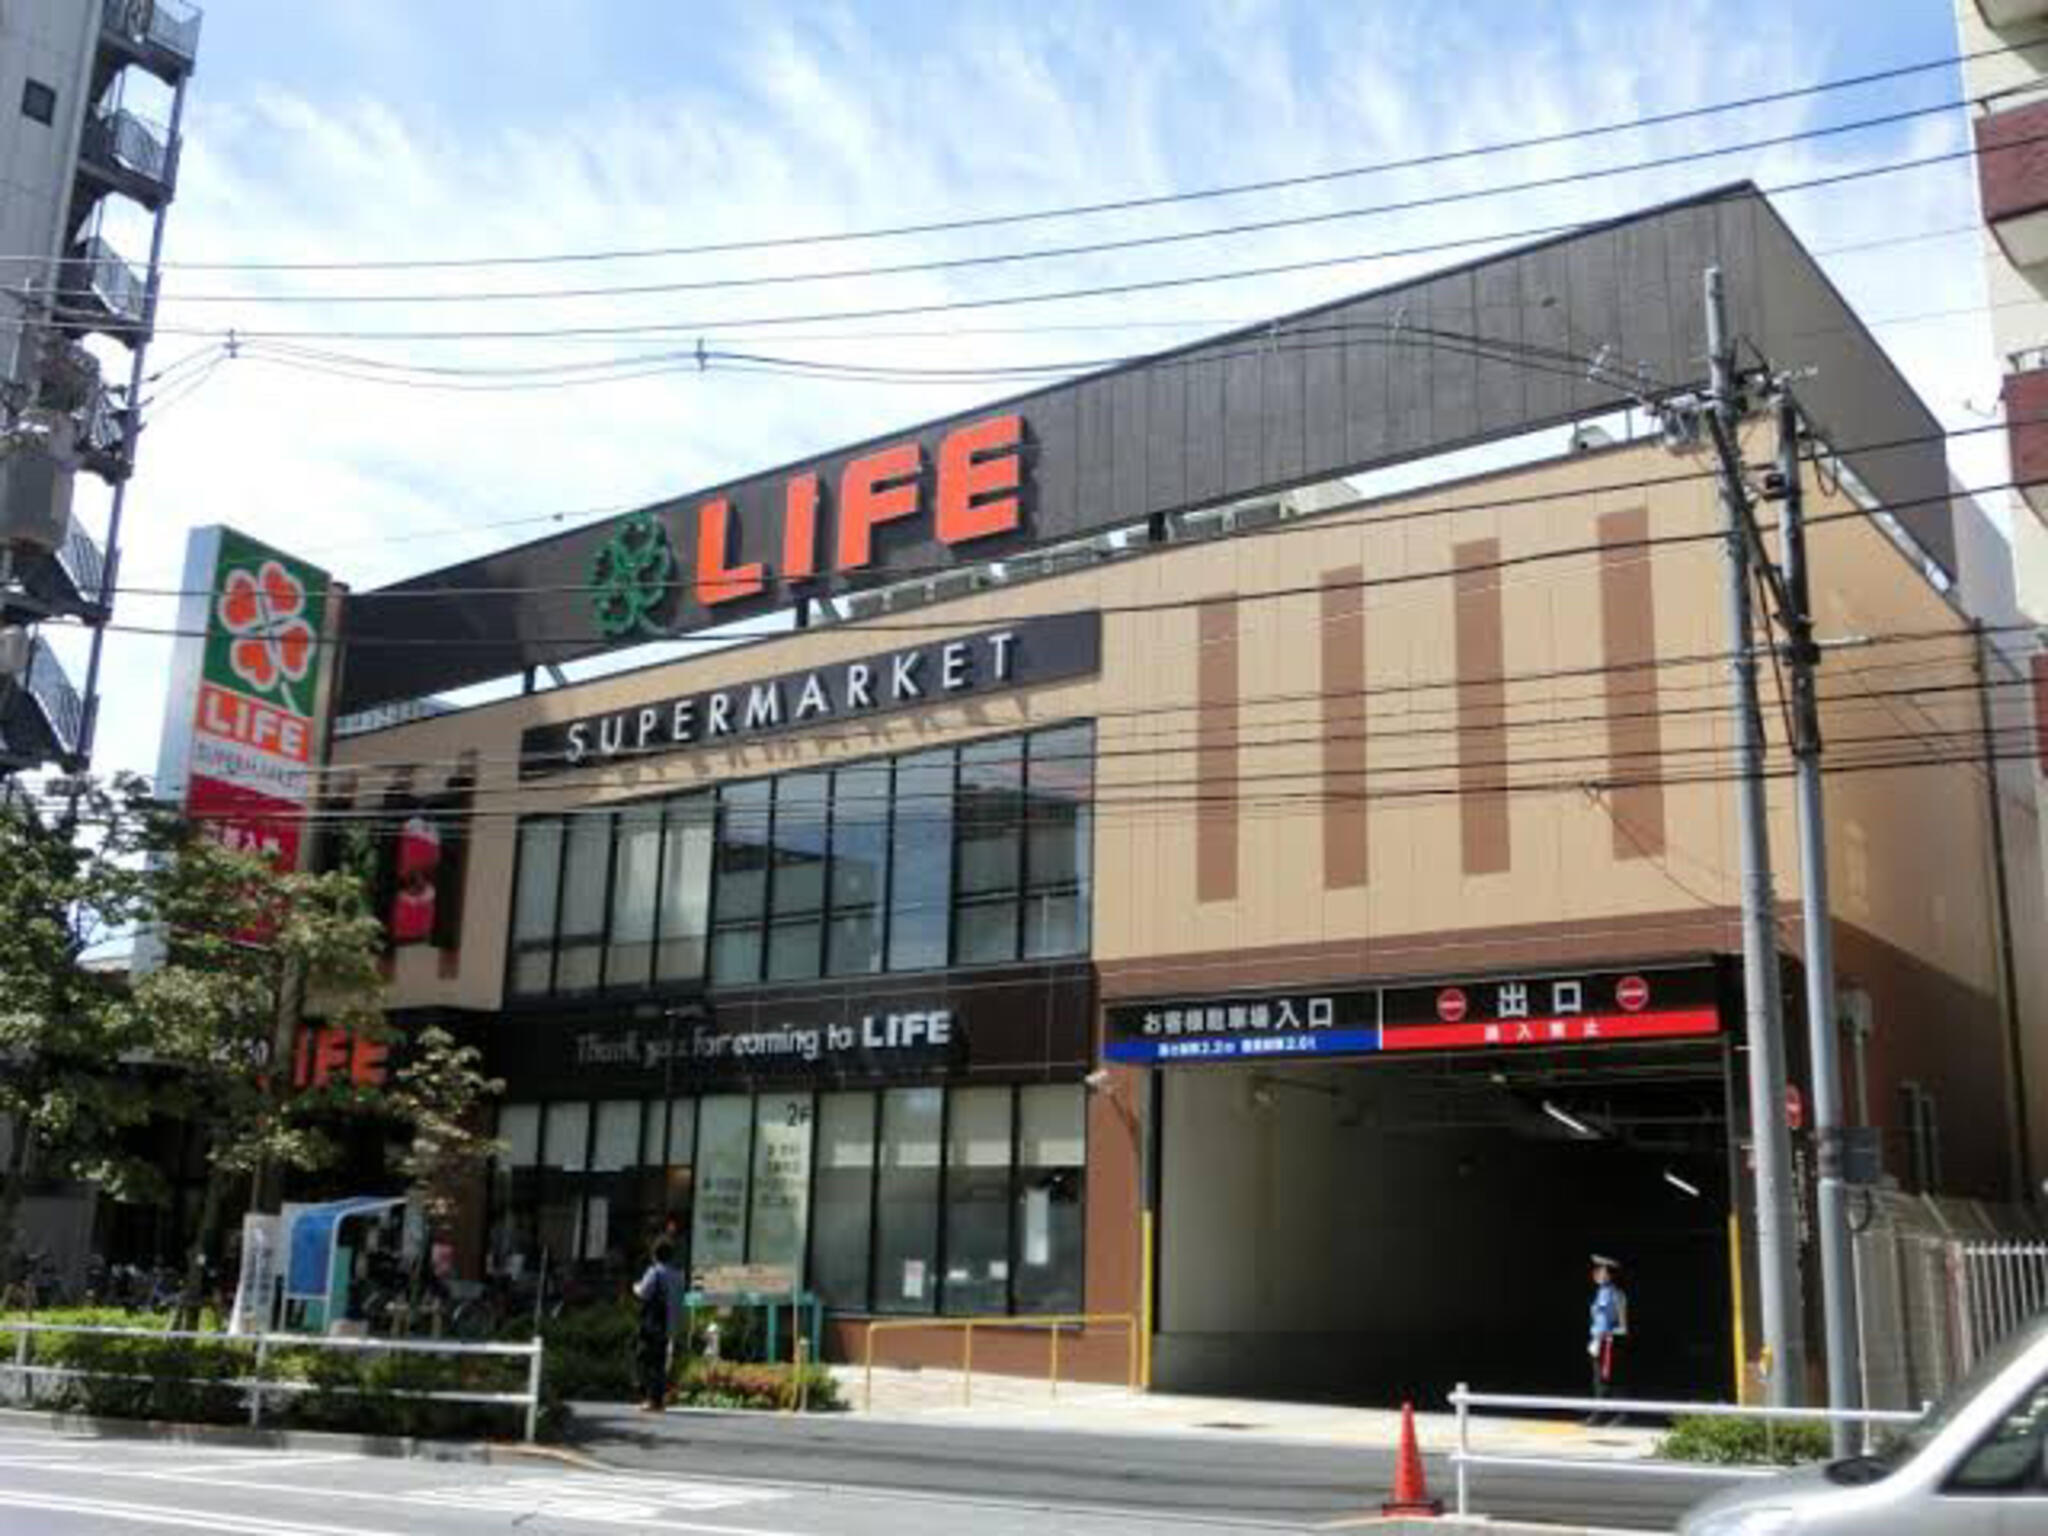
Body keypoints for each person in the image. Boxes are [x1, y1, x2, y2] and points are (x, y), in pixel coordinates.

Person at [633, 1239, 683, 1411]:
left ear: (655, 1255)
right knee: (661, 1362)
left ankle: (651, 1399)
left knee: (646, 1359)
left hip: (653, 1322)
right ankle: (659, 1400)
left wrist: (636, 1287)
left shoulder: (654, 1272)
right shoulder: (678, 1275)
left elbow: (643, 1293)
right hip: (670, 1323)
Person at [1585, 1253, 1629, 1426]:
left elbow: (1615, 1324)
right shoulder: (1604, 1292)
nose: (1595, 1273)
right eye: (1596, 1270)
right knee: (1603, 1379)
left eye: (1600, 1270)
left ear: (1609, 1274)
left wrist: (1601, 1338)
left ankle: (1615, 1413)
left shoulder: (1611, 1293)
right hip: (1602, 1340)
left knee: (1608, 1379)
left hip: (1608, 1341)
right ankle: (1604, 1413)